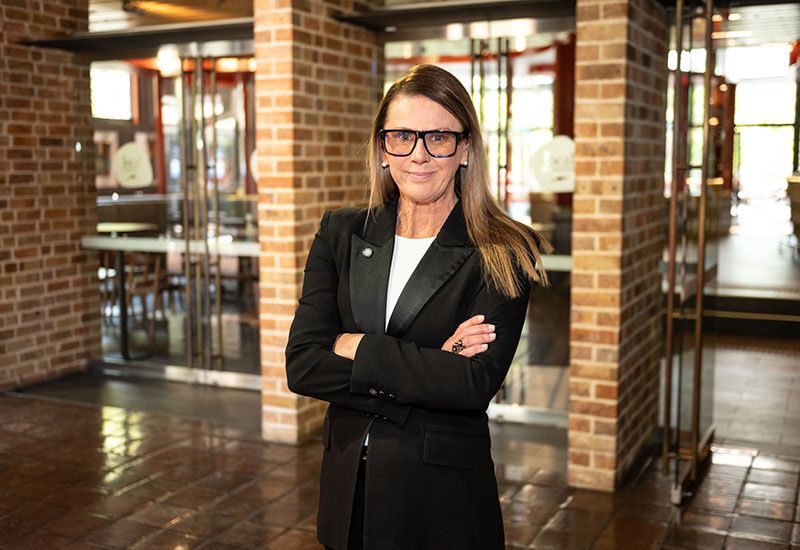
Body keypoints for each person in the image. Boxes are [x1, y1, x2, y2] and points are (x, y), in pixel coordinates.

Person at [285, 64, 551, 550]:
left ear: (465, 148)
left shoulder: (504, 249)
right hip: (348, 490)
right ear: (383, 148)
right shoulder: (341, 232)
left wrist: (356, 345)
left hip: (441, 497)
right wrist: (429, 365)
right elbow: (302, 366)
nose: (419, 154)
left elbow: (471, 384)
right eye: (402, 136)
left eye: (439, 137)